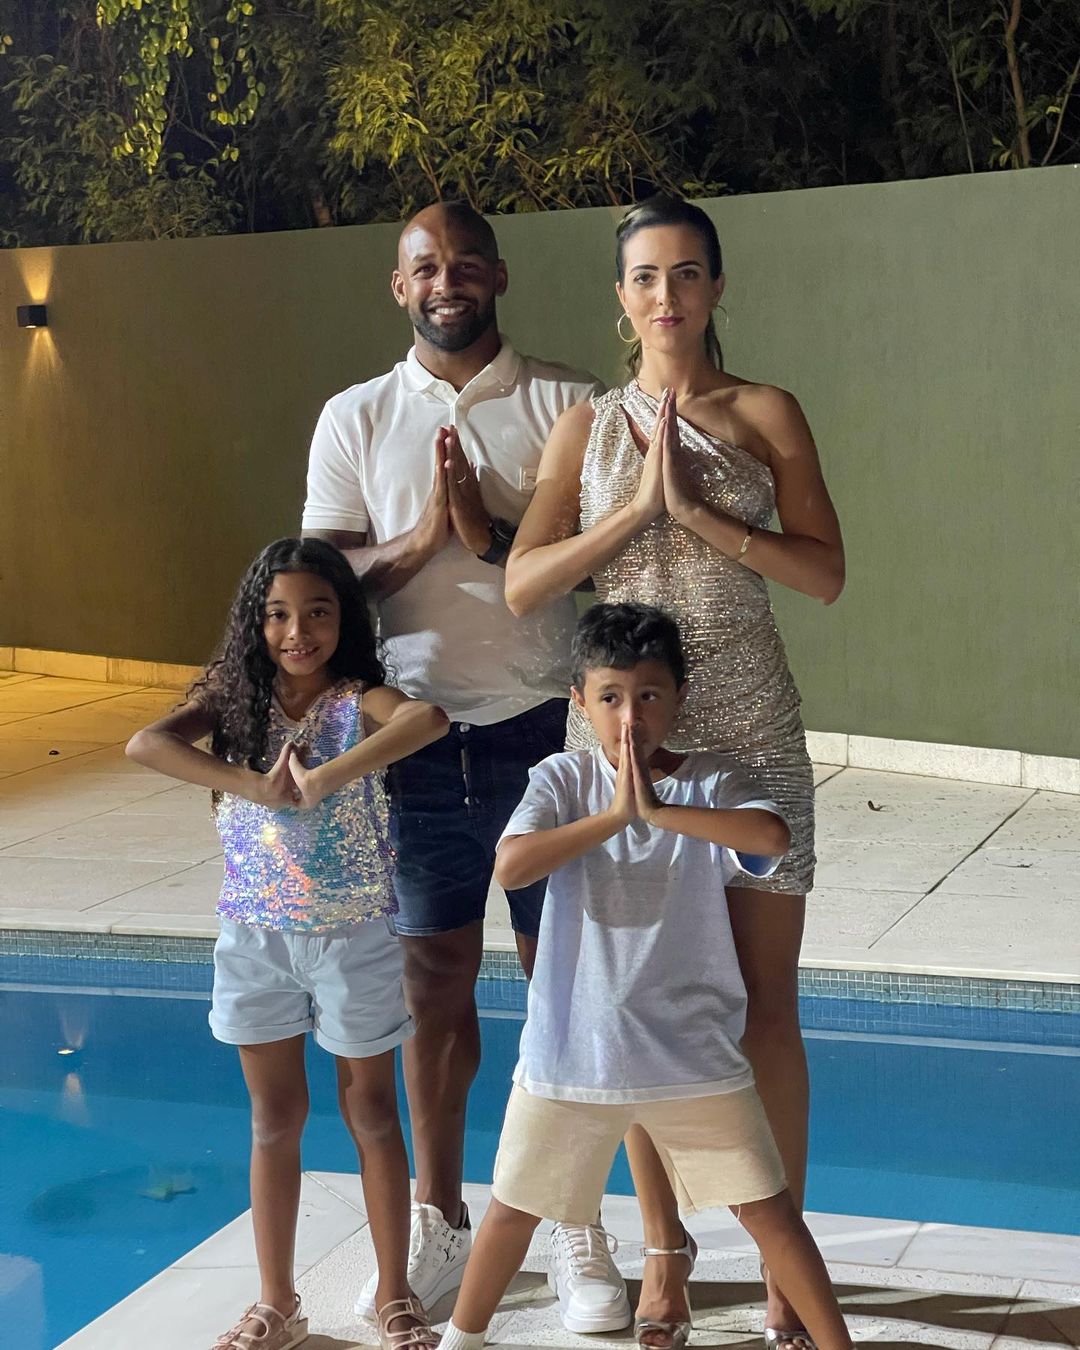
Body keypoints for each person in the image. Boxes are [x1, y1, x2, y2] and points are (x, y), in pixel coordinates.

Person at [505, 193, 845, 1348]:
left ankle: (787, 1269)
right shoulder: (586, 427)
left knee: (765, 1010)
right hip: (623, 738)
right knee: (636, 1005)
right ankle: (664, 1255)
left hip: (749, 725)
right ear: (622, 296)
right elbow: (526, 581)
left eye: (687, 273)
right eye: (646, 276)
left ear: (716, 287)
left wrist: (697, 513)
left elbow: (826, 574)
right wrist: (637, 513)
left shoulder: (765, 412)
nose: (667, 295)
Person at [300, 203, 628, 1328]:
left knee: (563, 983)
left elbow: (609, 563)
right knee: (433, 984)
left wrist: (493, 528)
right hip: (417, 744)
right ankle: (439, 1219)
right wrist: (421, 542)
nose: (448, 281)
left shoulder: (571, 400)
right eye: (426, 266)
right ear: (400, 286)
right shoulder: (355, 415)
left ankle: (574, 1221)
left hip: (548, 733)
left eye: (466, 263)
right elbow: (323, 585)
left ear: (499, 275)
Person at [436, 603, 852, 1350]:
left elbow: (771, 837)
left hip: (694, 1058)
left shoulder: (713, 782)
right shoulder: (561, 779)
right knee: (511, 1212)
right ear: (580, 701)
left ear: (679, 698)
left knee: (770, 1214)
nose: (631, 716)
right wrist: (614, 816)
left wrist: (656, 811)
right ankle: (459, 1342)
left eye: (650, 695)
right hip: (570, 1061)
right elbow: (512, 866)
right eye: (611, 696)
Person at [125, 537, 450, 1350]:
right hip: (255, 937)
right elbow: (146, 743)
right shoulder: (234, 700)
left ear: (345, 619)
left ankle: (395, 1293)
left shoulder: (357, 698)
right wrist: (252, 785)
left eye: (316, 612)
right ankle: (278, 1301)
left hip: (353, 936)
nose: (296, 632)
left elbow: (429, 719)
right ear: (255, 622)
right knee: (275, 1119)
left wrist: (329, 776)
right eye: (276, 615)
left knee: (372, 1112)